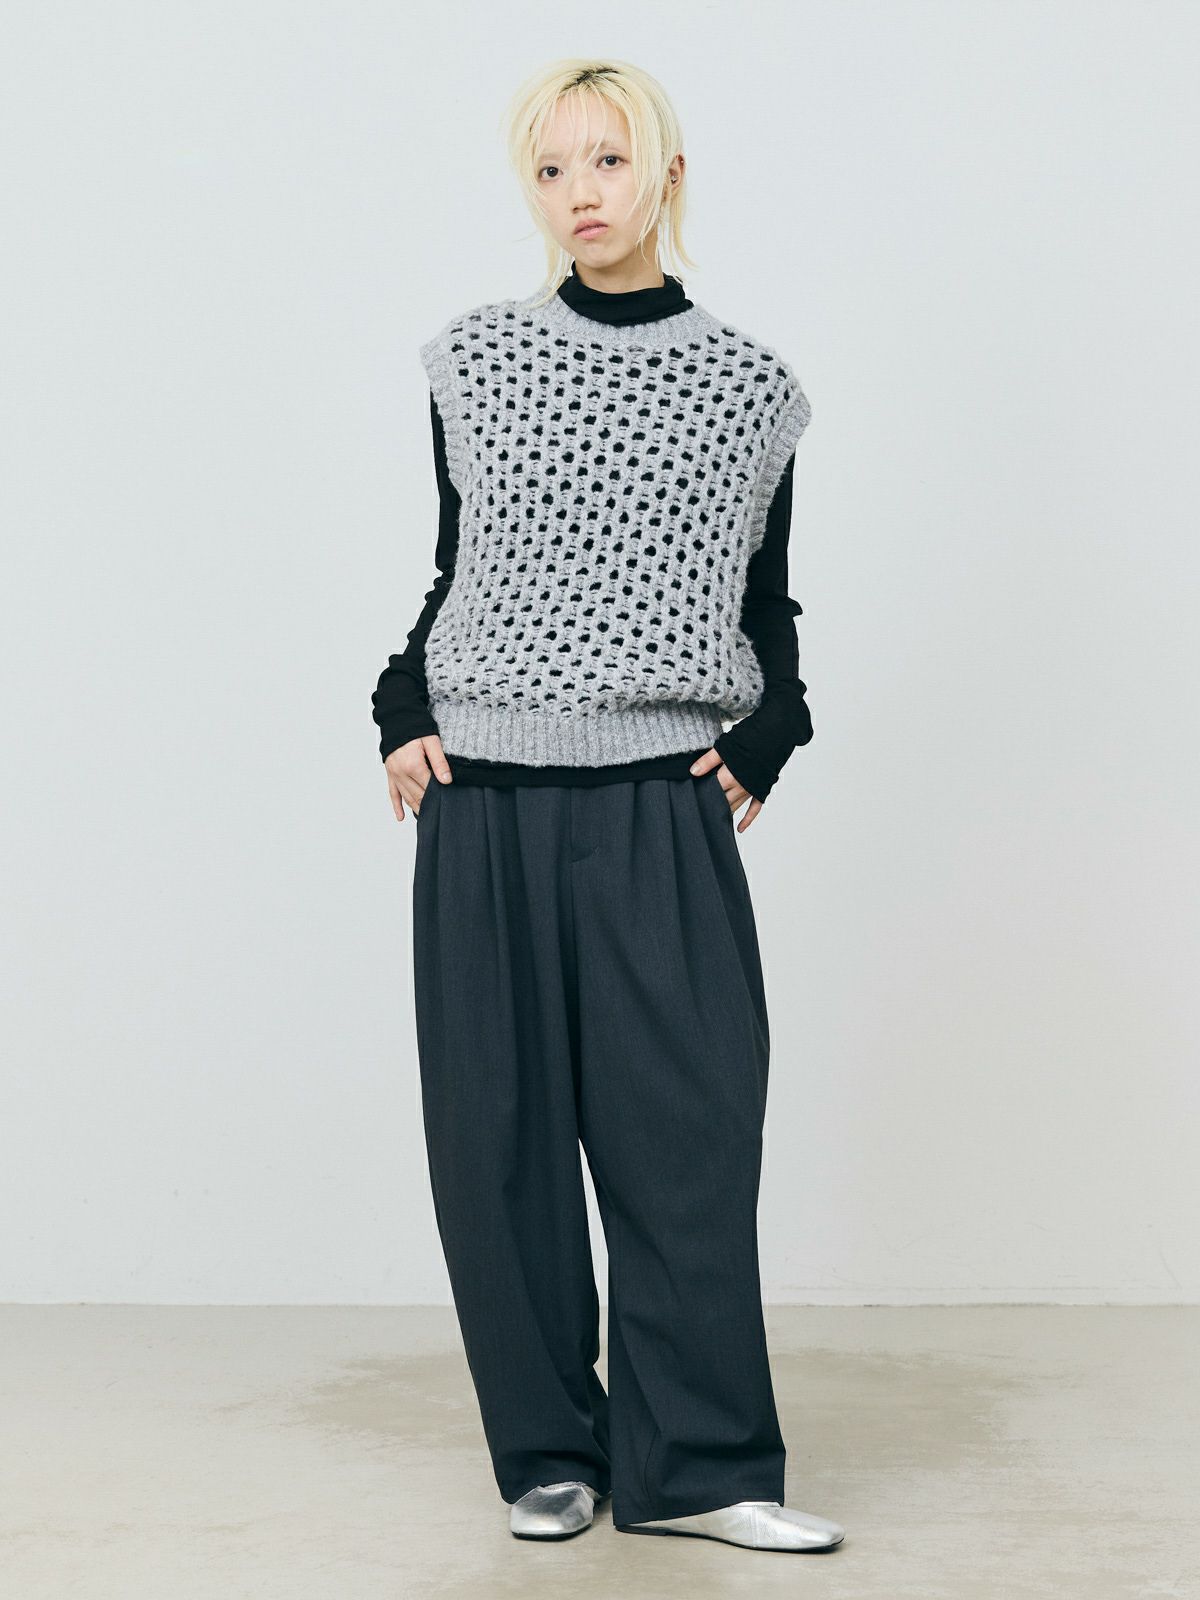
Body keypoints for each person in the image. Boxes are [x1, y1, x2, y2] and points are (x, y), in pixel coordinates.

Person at [370, 57, 844, 1556]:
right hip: (485, 802)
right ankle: (550, 1453)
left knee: (687, 1136)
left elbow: (765, 606)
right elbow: (460, 570)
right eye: (553, 168)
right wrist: (402, 709)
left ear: (668, 176)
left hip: (656, 805)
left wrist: (773, 733)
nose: (581, 193)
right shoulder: (477, 361)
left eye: (610, 161)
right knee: (498, 1146)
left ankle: (701, 1468)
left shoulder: (751, 389)